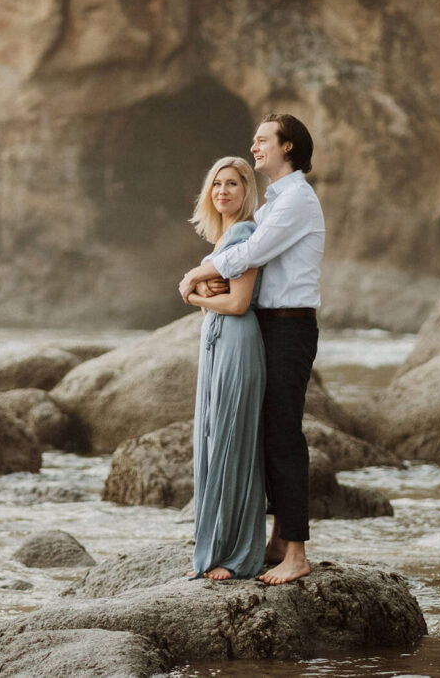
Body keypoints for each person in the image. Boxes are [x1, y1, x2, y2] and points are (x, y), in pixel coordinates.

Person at [179, 114, 324, 585]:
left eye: (262, 140)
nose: (254, 146)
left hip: (290, 327)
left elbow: (248, 253)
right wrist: (208, 269)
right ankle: (280, 539)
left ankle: (297, 554)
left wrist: (193, 278)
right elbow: (237, 245)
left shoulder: (296, 199)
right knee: (266, 436)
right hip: (269, 326)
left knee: (284, 436)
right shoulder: (276, 202)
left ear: (287, 146)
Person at [184, 156, 267, 580]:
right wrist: (199, 281)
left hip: (236, 342)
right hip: (216, 342)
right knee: (214, 439)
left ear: (246, 190)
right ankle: (216, 544)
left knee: (233, 443)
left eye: (233, 184)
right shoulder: (220, 242)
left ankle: (238, 556)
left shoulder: (244, 233)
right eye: (217, 184)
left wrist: (193, 292)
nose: (223, 192)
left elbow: (237, 303)